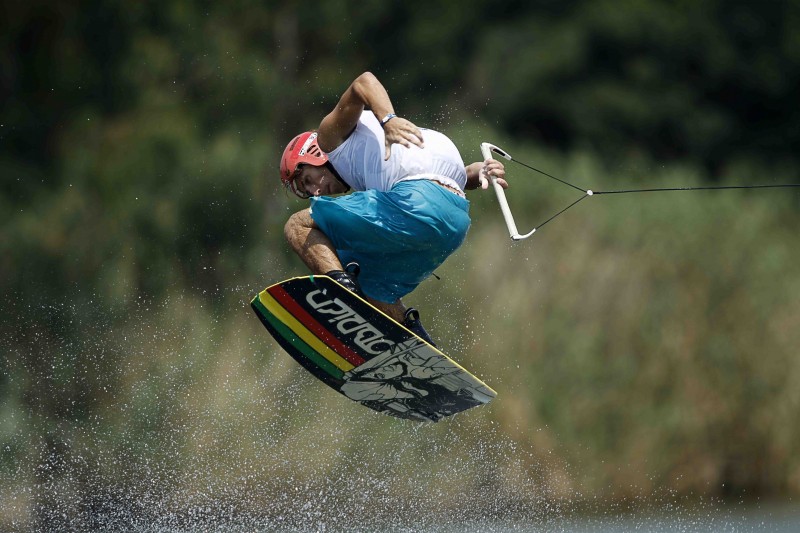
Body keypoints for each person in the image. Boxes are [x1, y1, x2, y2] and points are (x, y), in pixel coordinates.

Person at [279, 72, 507, 346]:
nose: (315, 192)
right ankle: (416, 345)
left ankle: (342, 295)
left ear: (312, 156)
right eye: (307, 192)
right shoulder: (386, 160)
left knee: (297, 226)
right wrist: (482, 170)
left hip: (414, 203)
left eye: (307, 181)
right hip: (453, 224)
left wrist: (388, 118)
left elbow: (364, 82)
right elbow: (459, 177)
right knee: (367, 276)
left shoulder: (329, 139)